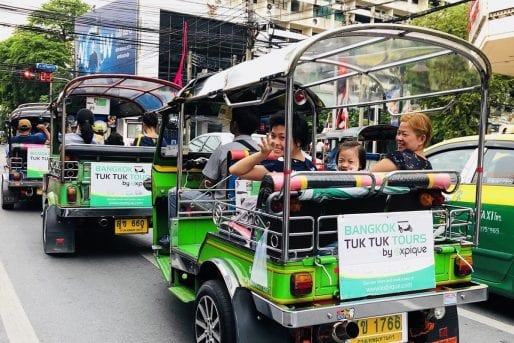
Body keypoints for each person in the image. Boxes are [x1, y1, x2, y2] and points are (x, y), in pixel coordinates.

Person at [229, 113, 316, 181]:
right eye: (273, 136)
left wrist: (262, 154)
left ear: (298, 142)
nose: (275, 142)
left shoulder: (280, 166)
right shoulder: (310, 166)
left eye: (282, 137)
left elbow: (235, 170)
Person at [201, 106, 260, 197]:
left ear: (234, 124)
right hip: (252, 205)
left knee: (174, 194)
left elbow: (208, 184)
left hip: (222, 206)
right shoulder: (261, 152)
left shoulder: (222, 150)